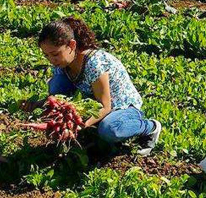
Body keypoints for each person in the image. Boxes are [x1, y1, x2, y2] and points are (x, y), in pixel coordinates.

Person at [24, 17, 161, 154]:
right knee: (57, 84)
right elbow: (57, 99)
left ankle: (150, 127)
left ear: (71, 45)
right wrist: (37, 104)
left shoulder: (94, 63)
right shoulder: (62, 63)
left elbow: (105, 106)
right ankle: (90, 130)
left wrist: (80, 126)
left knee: (109, 130)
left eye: (55, 54)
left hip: (120, 106)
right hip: (92, 102)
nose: (51, 60)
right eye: (46, 55)